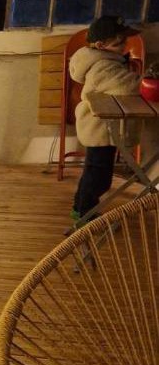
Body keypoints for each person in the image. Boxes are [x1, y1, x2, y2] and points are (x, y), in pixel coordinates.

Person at [70, 15, 142, 223]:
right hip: (100, 128)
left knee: (93, 173)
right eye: (119, 41)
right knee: (98, 178)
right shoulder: (103, 66)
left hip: (100, 127)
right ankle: (85, 217)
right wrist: (145, 81)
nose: (125, 45)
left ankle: (80, 209)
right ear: (101, 45)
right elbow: (128, 85)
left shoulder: (104, 60)